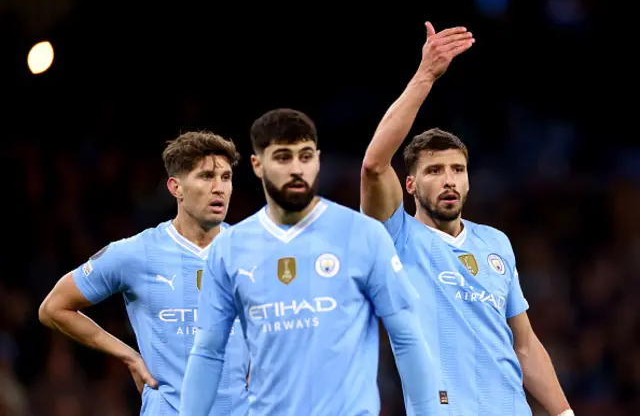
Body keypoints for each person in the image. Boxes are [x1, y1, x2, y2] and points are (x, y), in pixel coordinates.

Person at [360, 21, 573, 416]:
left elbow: (523, 345)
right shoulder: (395, 236)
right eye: (434, 170)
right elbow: (374, 165)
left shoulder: (495, 243)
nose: (448, 180)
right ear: (409, 185)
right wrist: (425, 76)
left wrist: (564, 413)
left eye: (457, 170)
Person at [180, 108, 439, 416]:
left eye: (305, 157)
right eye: (282, 158)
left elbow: (407, 338)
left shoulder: (363, 234)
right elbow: (208, 352)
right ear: (257, 165)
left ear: (318, 159)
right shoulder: (229, 248)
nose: (296, 169)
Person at [38, 131, 250, 416]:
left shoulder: (253, 252)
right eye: (206, 176)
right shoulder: (136, 253)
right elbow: (54, 308)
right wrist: (130, 357)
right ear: (176, 187)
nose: (219, 188)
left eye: (226, 178)